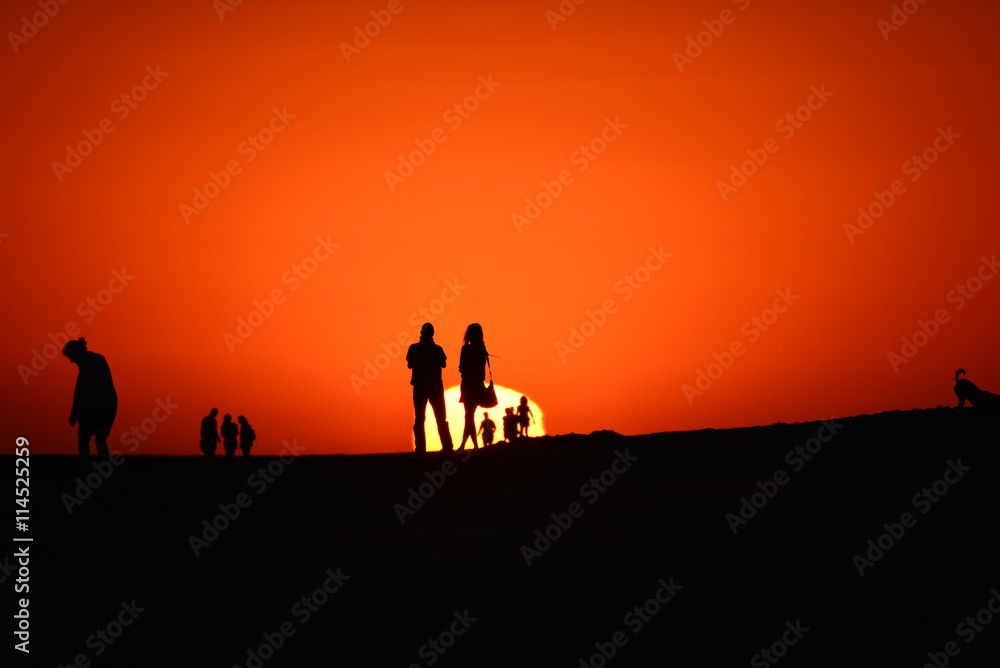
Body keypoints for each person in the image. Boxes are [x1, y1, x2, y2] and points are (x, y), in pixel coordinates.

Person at [62, 337, 117, 459]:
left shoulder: (87, 363)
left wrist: (74, 413)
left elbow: (81, 390)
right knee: (100, 440)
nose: (71, 361)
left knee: (84, 439)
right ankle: (102, 469)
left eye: (71, 356)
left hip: (98, 405)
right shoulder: (96, 359)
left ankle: (86, 468)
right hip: (108, 403)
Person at [406, 322, 453, 453]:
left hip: (420, 385)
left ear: (421, 333)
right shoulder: (437, 349)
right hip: (435, 386)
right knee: (440, 418)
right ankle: (447, 447)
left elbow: (409, 364)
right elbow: (443, 363)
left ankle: (421, 449)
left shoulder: (414, 348)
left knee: (419, 418)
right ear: (432, 334)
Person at [458, 323, 488, 450]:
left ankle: (468, 445)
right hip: (477, 384)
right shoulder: (482, 348)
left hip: (467, 384)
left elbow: (461, 368)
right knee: (469, 415)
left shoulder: (466, 349)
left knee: (468, 415)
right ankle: (471, 444)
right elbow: (482, 369)